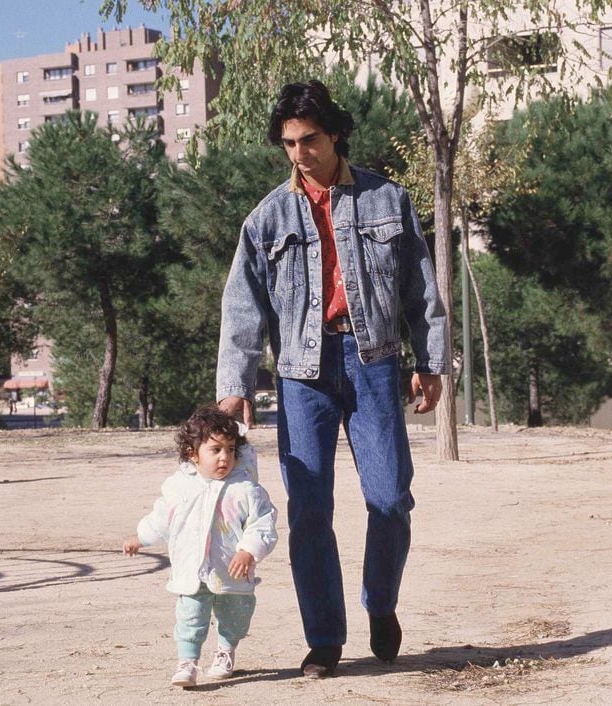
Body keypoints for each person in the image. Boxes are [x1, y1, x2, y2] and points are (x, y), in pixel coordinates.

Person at [216, 80, 448, 678]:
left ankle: (381, 603)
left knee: (391, 497)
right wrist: (235, 382)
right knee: (310, 511)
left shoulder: (387, 200)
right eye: (289, 143)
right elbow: (242, 307)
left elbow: (421, 290)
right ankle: (324, 639)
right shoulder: (266, 218)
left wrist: (431, 362)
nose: (299, 153)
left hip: (373, 363)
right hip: (300, 375)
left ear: (336, 133)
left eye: (309, 139)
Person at [123, 405, 278, 688]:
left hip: (231, 572)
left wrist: (248, 550)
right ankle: (188, 662)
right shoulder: (179, 487)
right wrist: (140, 537)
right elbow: (162, 518)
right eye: (215, 450)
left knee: (236, 616)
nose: (224, 458)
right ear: (193, 454)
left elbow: (263, 522)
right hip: (191, 570)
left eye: (230, 450)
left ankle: (225, 650)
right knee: (190, 616)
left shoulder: (245, 489)